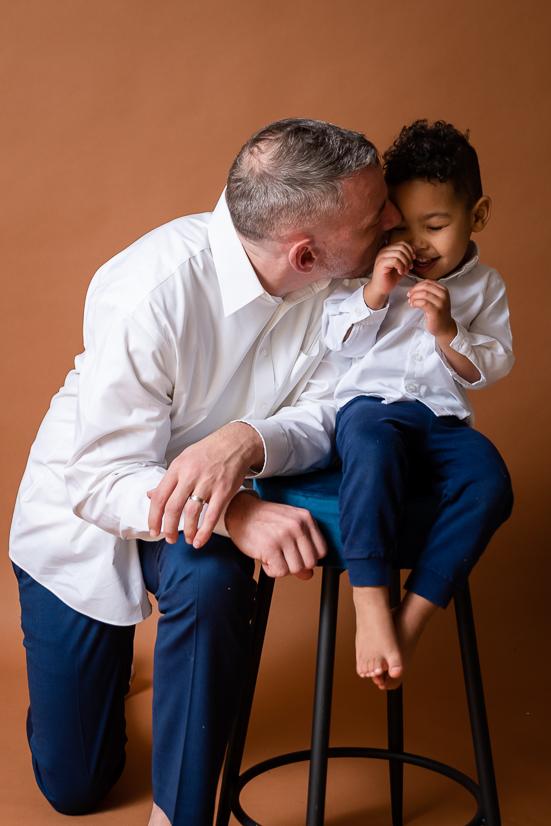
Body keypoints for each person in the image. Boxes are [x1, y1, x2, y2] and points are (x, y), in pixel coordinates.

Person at [9, 118, 400, 826]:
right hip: (88, 514)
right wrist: (234, 512)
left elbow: (329, 409)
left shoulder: (343, 282)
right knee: (74, 789)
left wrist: (244, 439)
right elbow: (97, 480)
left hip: (193, 524)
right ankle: (96, 677)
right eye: (378, 215)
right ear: (303, 253)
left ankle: (180, 816)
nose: (395, 218)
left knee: (215, 580)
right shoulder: (149, 290)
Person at [322, 120, 514, 692]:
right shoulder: (371, 273)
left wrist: (448, 329)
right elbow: (336, 342)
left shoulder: (486, 287)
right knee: (374, 452)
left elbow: (489, 368)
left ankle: (413, 616)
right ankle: (372, 602)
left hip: (442, 420)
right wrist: (377, 293)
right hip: (372, 411)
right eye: (403, 227)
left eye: (435, 225)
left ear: (476, 217)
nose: (418, 244)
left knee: (489, 479)